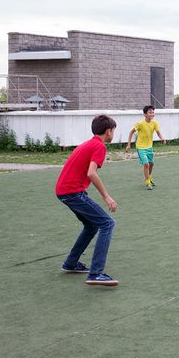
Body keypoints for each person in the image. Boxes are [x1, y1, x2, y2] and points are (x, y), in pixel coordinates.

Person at [55, 115, 119, 286]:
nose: (113, 133)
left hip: (65, 191)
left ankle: (71, 263)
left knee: (92, 225)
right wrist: (106, 196)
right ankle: (95, 273)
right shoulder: (99, 146)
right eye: (113, 131)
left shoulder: (89, 143)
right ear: (109, 131)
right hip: (73, 192)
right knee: (107, 223)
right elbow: (91, 172)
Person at [125, 105, 166, 190]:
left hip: (149, 147)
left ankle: (149, 178)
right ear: (145, 114)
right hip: (141, 147)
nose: (152, 114)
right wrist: (128, 144)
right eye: (150, 112)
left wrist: (162, 138)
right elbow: (131, 132)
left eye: (153, 112)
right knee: (146, 164)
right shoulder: (140, 124)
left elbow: (158, 132)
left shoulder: (154, 123)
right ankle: (147, 182)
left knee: (151, 163)